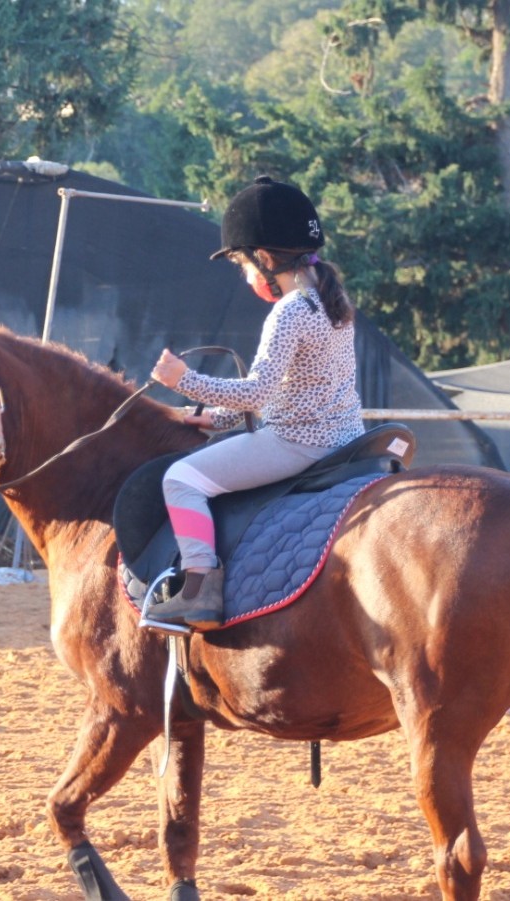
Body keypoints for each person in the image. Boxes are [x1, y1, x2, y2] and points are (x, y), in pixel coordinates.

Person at [146, 176, 364, 630]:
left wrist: (183, 380)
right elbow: (295, 390)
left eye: (243, 265)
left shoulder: (289, 311)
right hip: (348, 437)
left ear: (264, 259)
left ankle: (199, 589)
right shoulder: (333, 298)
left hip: (299, 443)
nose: (246, 276)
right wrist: (215, 418)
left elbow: (258, 393)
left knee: (180, 479)